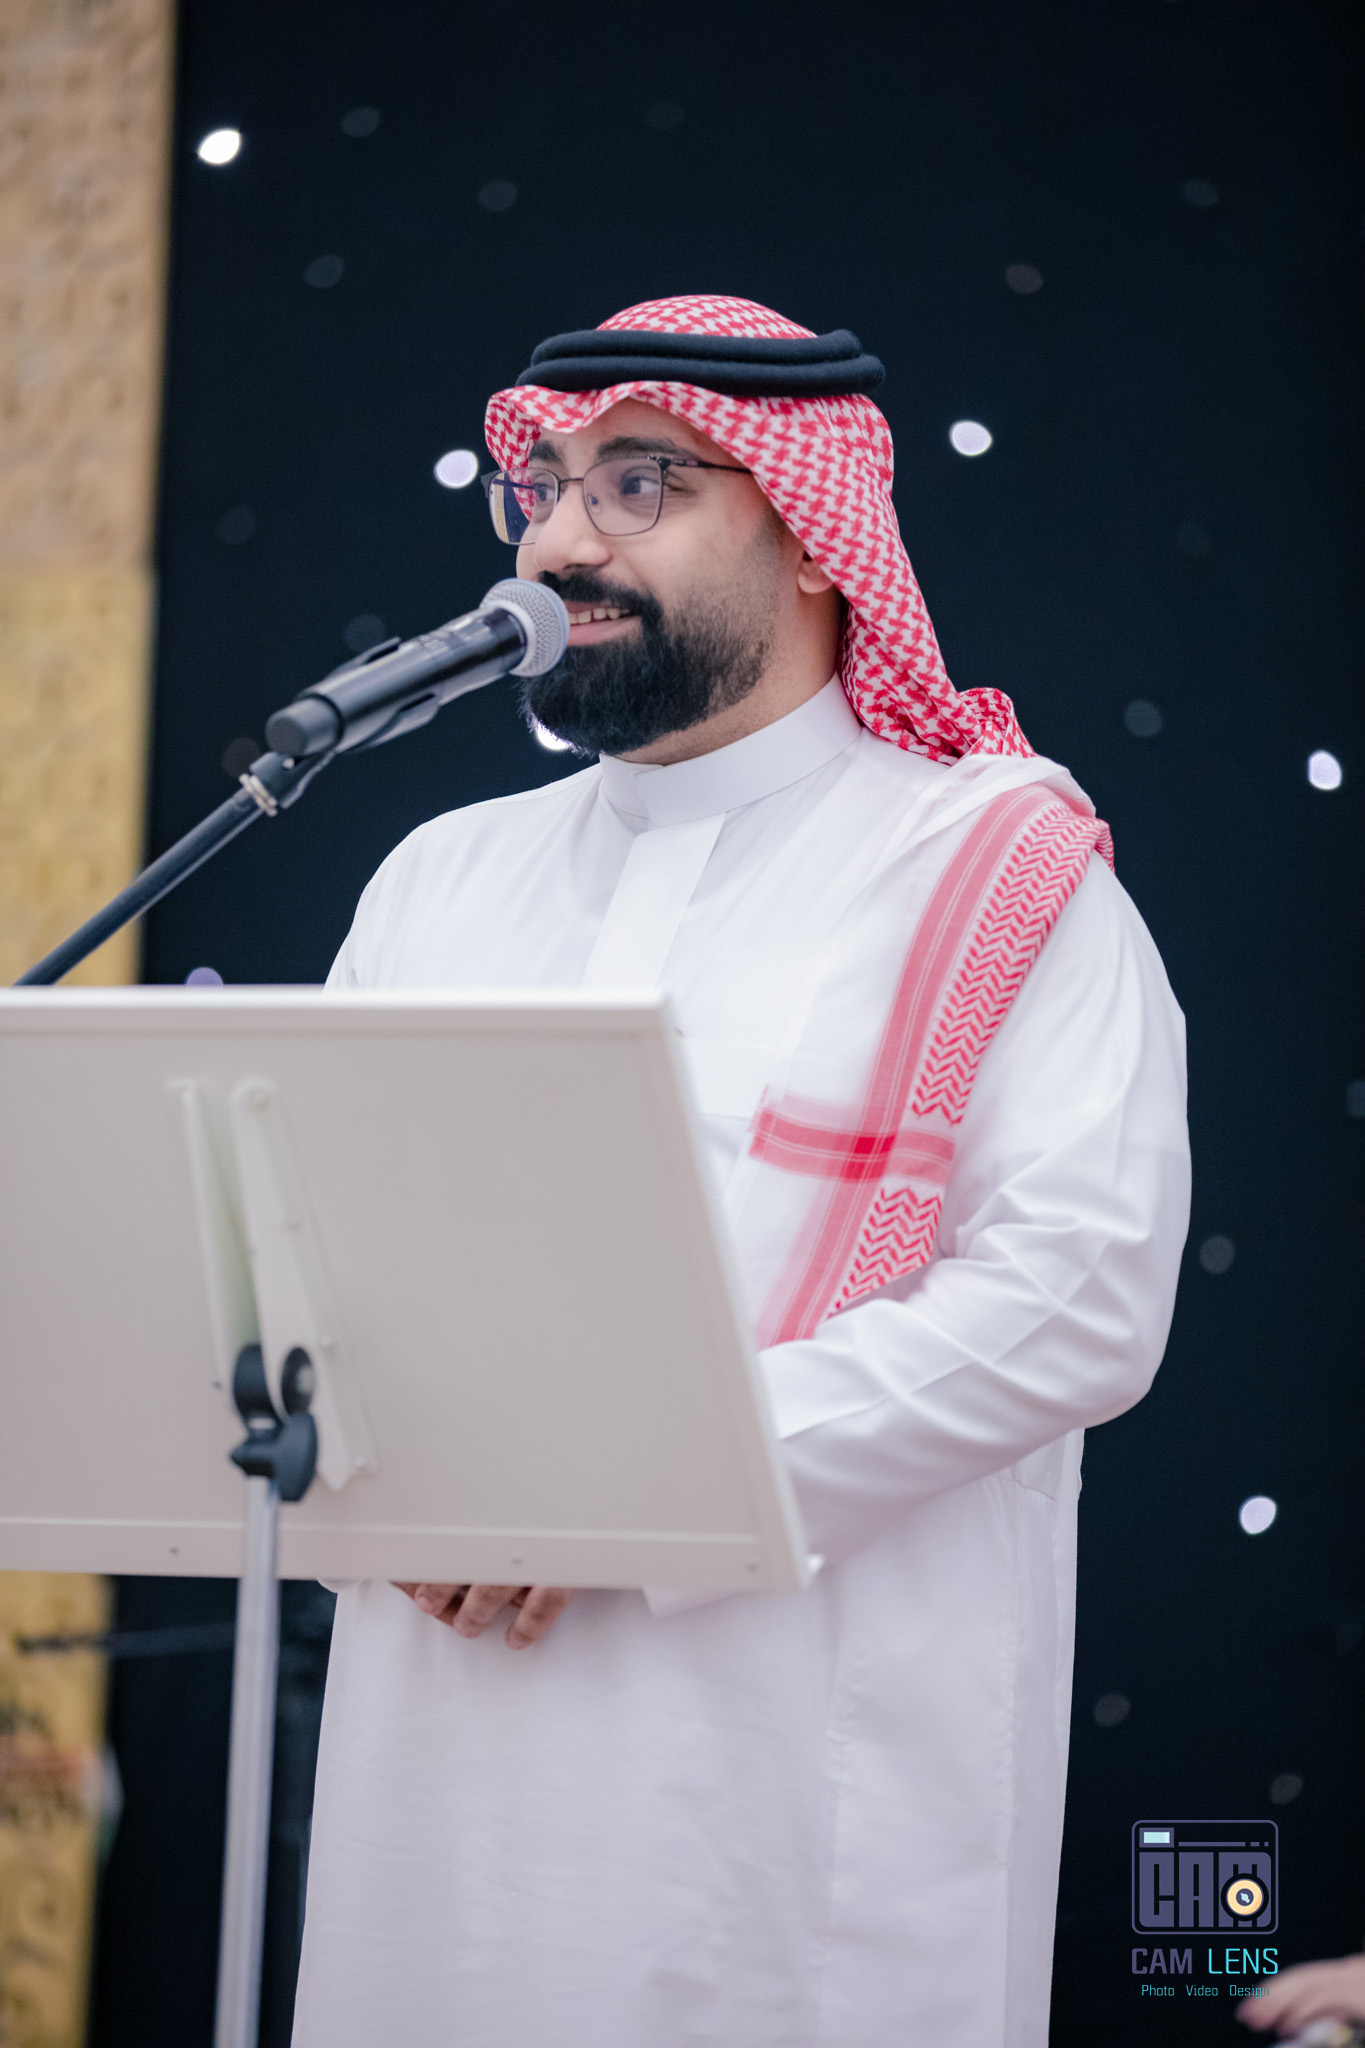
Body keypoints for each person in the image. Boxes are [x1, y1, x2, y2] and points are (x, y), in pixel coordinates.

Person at [291, 294, 1190, 2048]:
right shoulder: (439, 877)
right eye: (544, 485)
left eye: (641, 484)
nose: (559, 542)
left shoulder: (994, 868)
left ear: (814, 536)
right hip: (439, 1777)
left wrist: (619, 1473)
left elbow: (1078, 1296)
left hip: (794, 1800)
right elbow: (307, 1267)